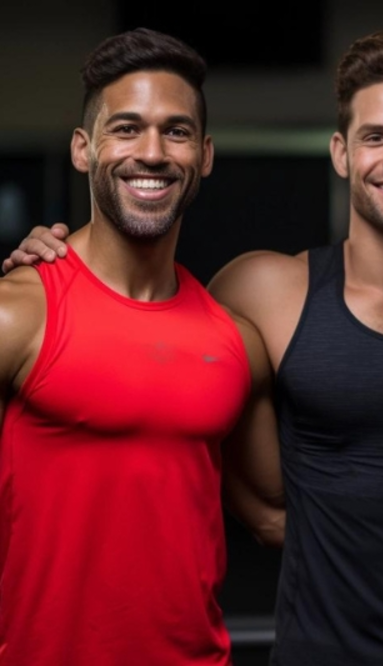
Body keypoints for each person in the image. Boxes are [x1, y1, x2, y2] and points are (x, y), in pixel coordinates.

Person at [3, 30, 383, 664]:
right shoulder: (255, 295)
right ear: (340, 153)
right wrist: (50, 268)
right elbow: (258, 503)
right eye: (374, 137)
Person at [0, 28, 271, 665]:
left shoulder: (237, 342)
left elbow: (278, 518)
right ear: (82, 149)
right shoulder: (19, 314)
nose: (152, 152)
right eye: (126, 128)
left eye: (176, 132)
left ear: (203, 156)